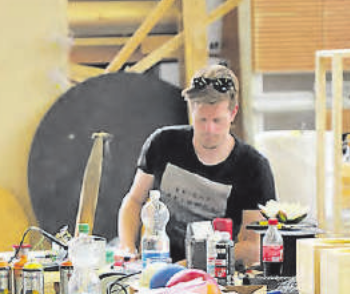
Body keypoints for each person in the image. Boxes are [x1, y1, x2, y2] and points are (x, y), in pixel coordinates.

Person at [118, 63, 276, 267]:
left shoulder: (253, 167)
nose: (209, 129)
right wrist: (127, 248)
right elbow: (134, 200)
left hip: (217, 271)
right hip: (157, 260)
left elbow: (252, 247)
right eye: (202, 120)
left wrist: (187, 265)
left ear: (233, 113)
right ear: (191, 110)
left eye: (217, 120)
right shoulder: (162, 142)